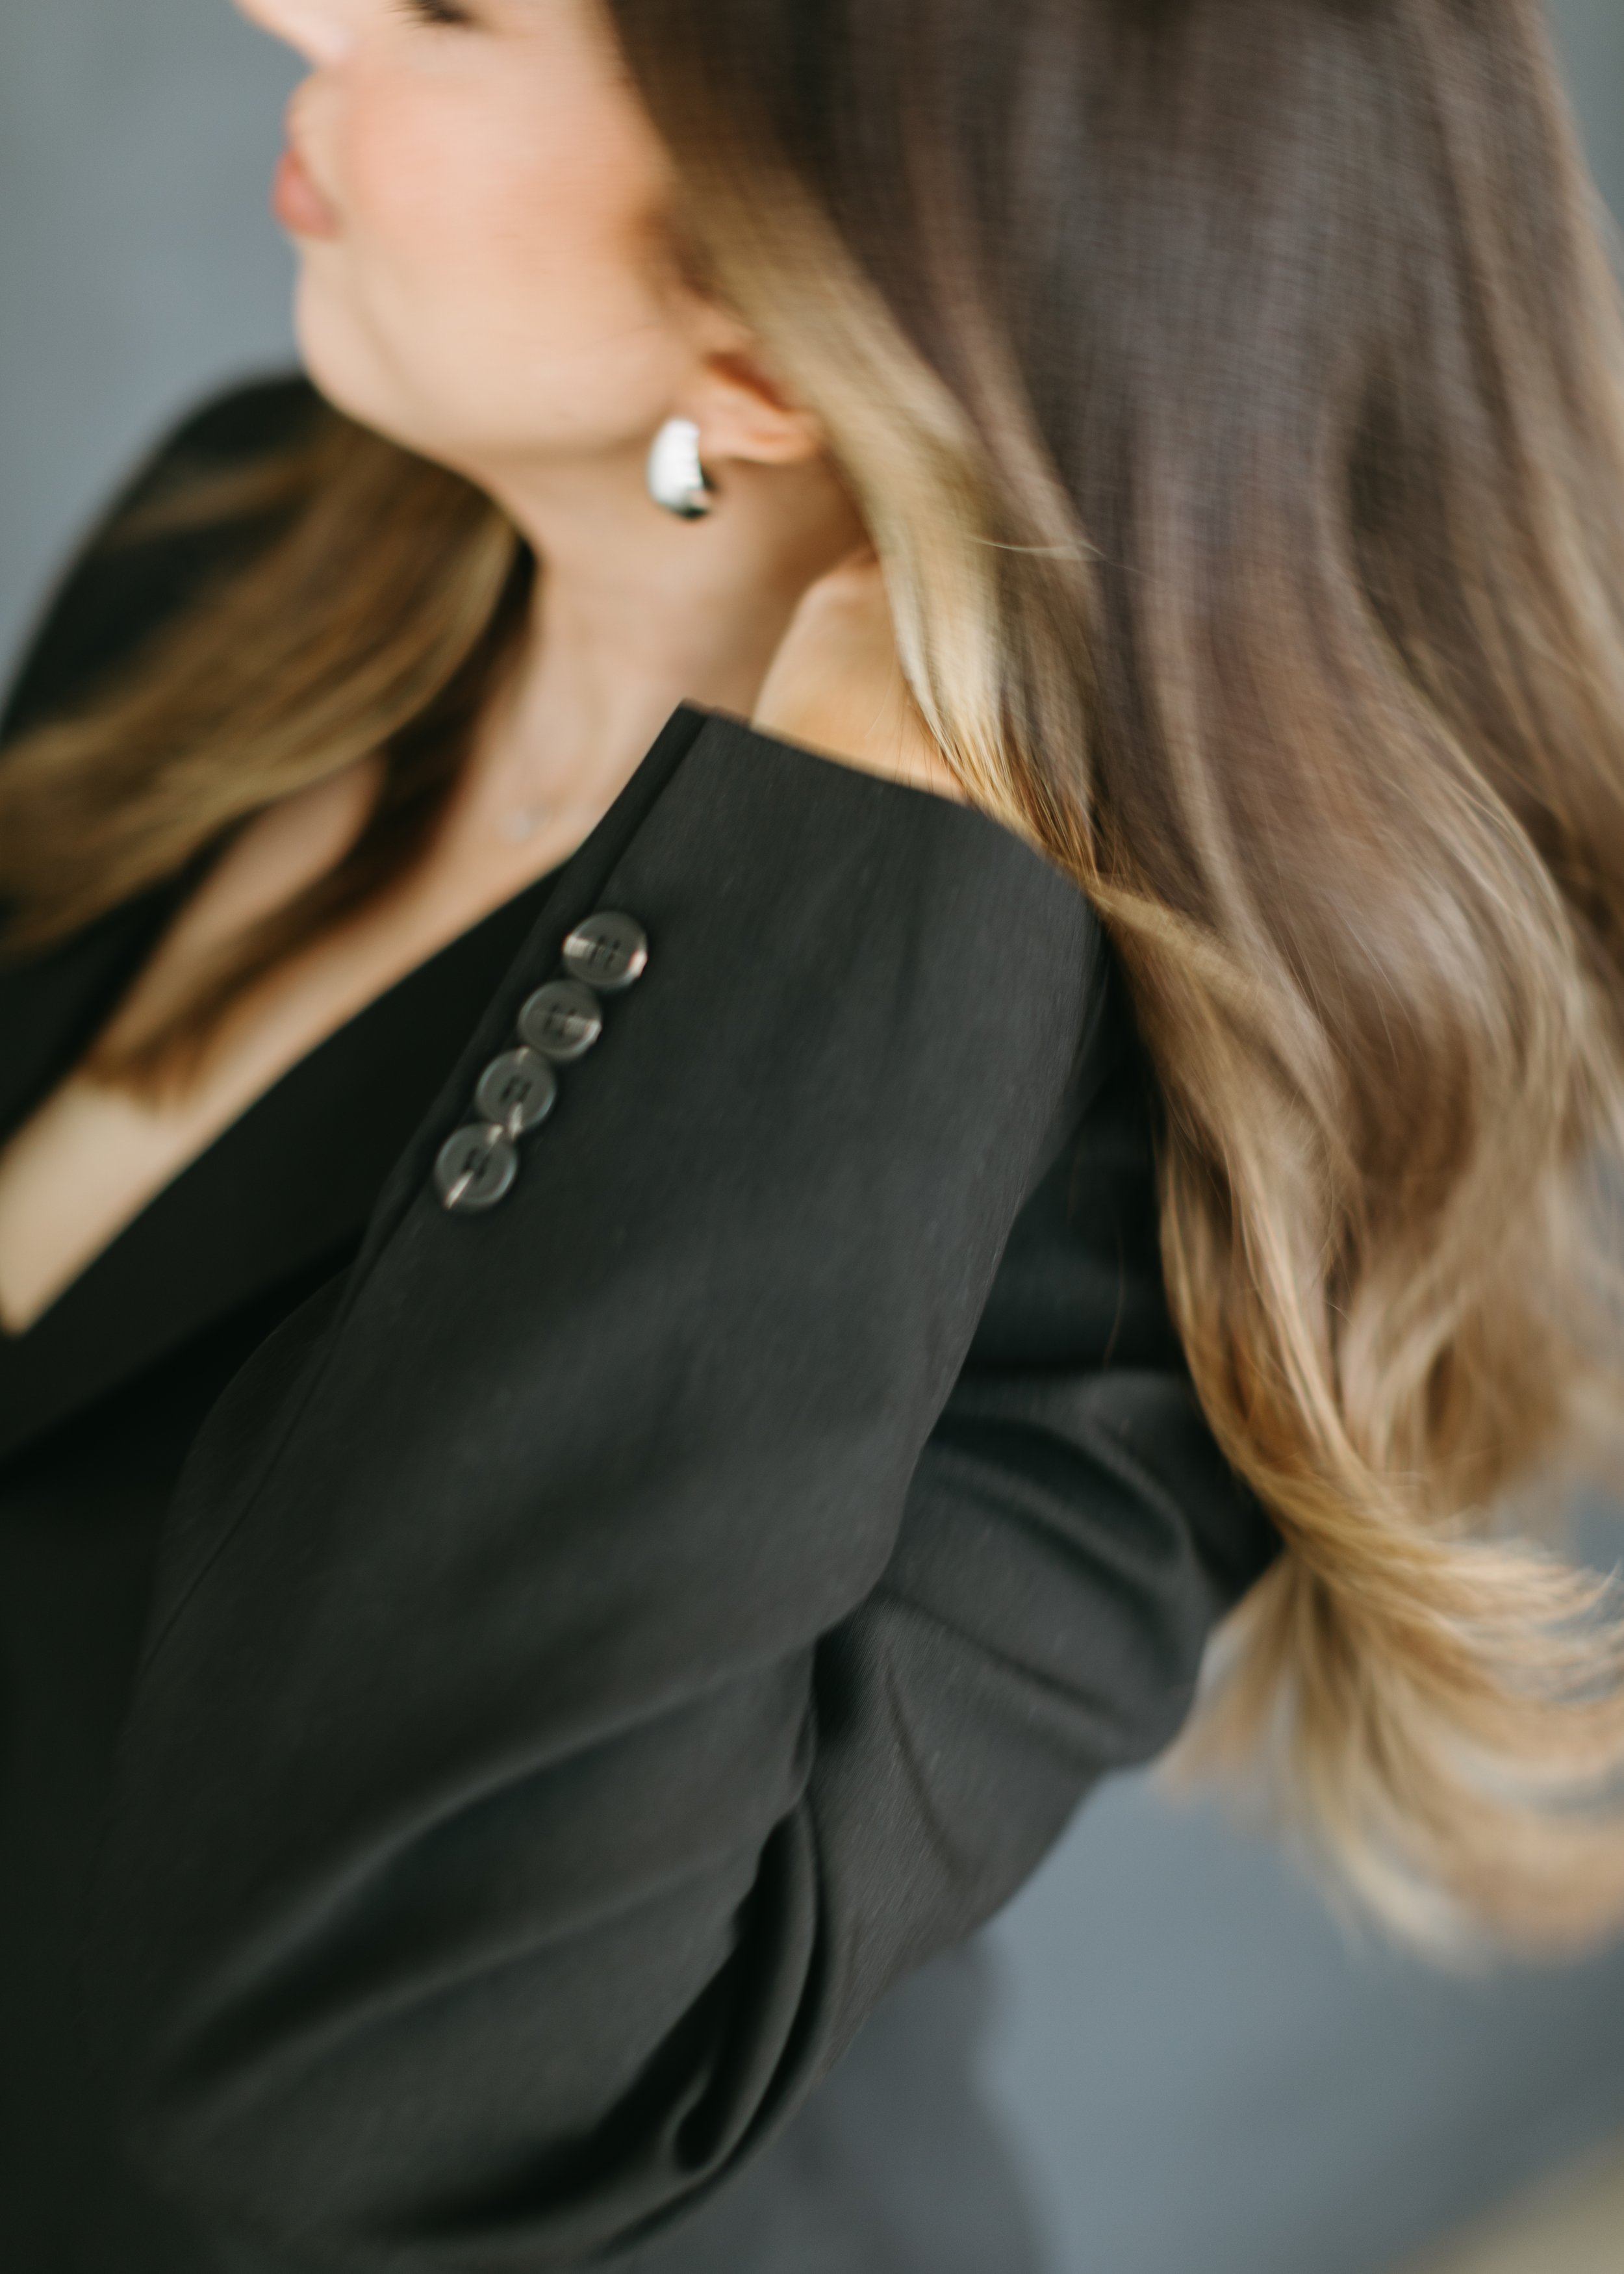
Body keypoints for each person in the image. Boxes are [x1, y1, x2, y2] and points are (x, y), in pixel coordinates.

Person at [1, 0, 1622, 2266]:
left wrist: (841, 846)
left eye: (456, 11)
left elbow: (364, 2090)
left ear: (777, 331)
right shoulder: (256, 537)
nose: (293, 7)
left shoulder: (1109, 1189)